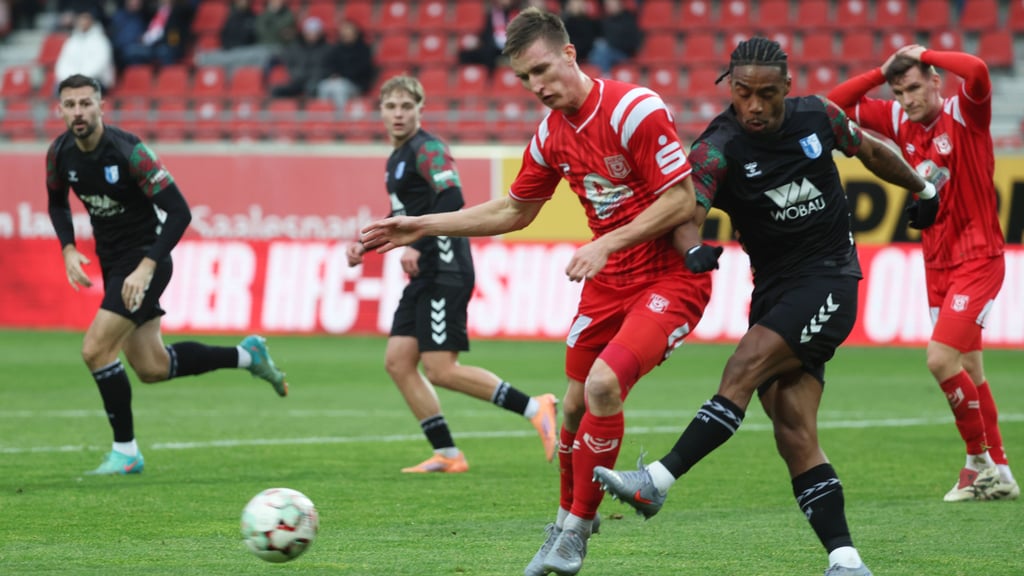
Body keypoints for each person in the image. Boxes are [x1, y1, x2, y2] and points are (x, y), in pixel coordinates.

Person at [361, 10, 713, 575]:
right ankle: (568, 517)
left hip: (668, 279)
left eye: (544, 70)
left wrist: (606, 243)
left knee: (601, 387)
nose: (538, 87)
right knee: (570, 405)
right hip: (607, 283)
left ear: (571, 54)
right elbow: (512, 210)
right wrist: (420, 224)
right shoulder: (550, 133)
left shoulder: (633, 109)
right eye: (526, 78)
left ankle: (573, 534)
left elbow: (681, 200)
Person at [592, 37, 941, 576]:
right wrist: (693, 247)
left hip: (830, 280)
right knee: (793, 431)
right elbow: (688, 206)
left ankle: (656, 482)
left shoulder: (818, 116)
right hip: (774, 291)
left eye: (767, 95)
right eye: (743, 93)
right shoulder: (719, 145)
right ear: (729, 87)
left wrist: (922, 186)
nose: (754, 106)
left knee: (742, 367)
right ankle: (846, 560)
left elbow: (870, 149)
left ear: (787, 88)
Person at [46, 74, 289, 476]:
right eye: (70, 105)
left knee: (95, 350)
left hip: (146, 260)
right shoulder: (60, 153)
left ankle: (126, 453)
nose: (78, 112)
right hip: (114, 265)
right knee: (152, 367)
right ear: (60, 110)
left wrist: (147, 266)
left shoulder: (129, 152)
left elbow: (180, 212)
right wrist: (68, 247)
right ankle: (248, 356)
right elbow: (56, 203)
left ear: (101, 106)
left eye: (86, 103)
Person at [828, 45, 1018, 502]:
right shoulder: (898, 121)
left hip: (977, 257)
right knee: (970, 367)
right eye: (899, 91)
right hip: (936, 262)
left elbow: (976, 68)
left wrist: (924, 51)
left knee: (939, 359)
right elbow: (835, 105)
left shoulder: (966, 111)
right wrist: (880, 69)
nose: (908, 98)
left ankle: (979, 464)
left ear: (935, 81)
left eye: (915, 86)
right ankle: (1001, 473)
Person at [346, 75, 558, 474]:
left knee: (440, 369)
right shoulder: (397, 159)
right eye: (391, 107)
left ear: (420, 110)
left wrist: (417, 244)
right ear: (381, 111)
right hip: (425, 271)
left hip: (445, 267)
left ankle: (535, 407)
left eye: (406, 107)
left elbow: (452, 198)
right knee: (397, 361)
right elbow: (402, 217)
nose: (398, 114)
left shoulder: (429, 149)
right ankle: (448, 453)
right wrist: (366, 244)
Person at [55, 8, 115, 92]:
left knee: (82, 90)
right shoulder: (72, 40)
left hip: (96, 81)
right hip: (73, 81)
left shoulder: (101, 40)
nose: (82, 21)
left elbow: (99, 65)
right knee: (58, 88)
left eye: (85, 18)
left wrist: (80, 79)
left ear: (92, 20)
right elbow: (62, 62)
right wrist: (69, 78)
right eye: (80, 18)